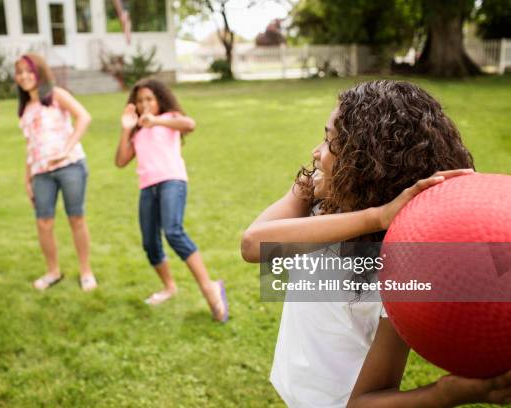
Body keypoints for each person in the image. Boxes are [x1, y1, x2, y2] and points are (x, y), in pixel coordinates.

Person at [242, 80, 511, 407]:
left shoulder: (403, 272)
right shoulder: (319, 200)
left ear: (366, 164)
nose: (316, 151)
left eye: (329, 141)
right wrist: (371, 213)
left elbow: (363, 403)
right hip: (293, 389)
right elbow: (253, 245)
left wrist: (447, 393)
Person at [115, 78, 228, 322]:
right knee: (150, 243)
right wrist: (127, 127)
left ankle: (210, 287)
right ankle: (169, 287)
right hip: (147, 187)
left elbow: (190, 124)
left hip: (171, 181)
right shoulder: (137, 130)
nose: (145, 105)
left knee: (173, 232)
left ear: (159, 100)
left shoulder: (170, 119)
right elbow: (121, 161)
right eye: (140, 100)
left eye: (149, 99)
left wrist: (155, 120)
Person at [14, 53, 96, 292]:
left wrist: (66, 149)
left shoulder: (56, 95)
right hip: (41, 173)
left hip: (70, 166)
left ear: (39, 72)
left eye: (28, 71)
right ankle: (53, 271)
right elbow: (31, 144)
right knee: (43, 223)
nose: (24, 76)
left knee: (76, 218)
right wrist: (27, 176)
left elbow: (84, 117)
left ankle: (86, 272)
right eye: (19, 72)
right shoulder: (25, 108)